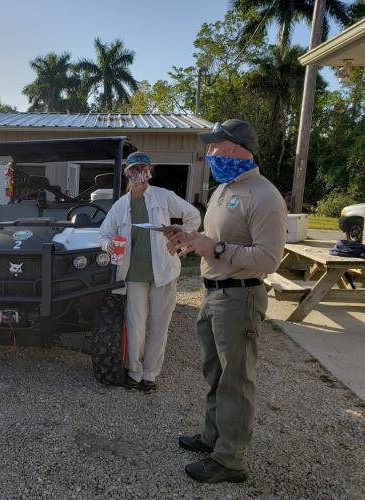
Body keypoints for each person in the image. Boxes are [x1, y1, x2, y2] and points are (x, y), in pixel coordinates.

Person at [165, 119, 287, 483]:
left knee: (236, 380)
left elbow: (268, 259)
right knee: (216, 374)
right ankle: (213, 437)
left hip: (240, 298)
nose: (211, 153)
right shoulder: (224, 189)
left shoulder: (265, 197)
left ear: (237, 149)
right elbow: (214, 238)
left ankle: (230, 461)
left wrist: (215, 247)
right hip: (215, 294)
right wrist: (191, 239)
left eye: (216, 146)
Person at [98, 151, 201, 392]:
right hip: (133, 275)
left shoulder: (164, 197)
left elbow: (193, 215)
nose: (138, 173)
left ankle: (150, 375)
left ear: (150, 172)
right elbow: (103, 234)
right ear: (127, 173)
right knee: (136, 326)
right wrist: (108, 244)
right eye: (134, 169)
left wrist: (183, 238)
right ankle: (134, 373)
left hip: (164, 273)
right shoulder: (121, 205)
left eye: (143, 169)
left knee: (159, 325)